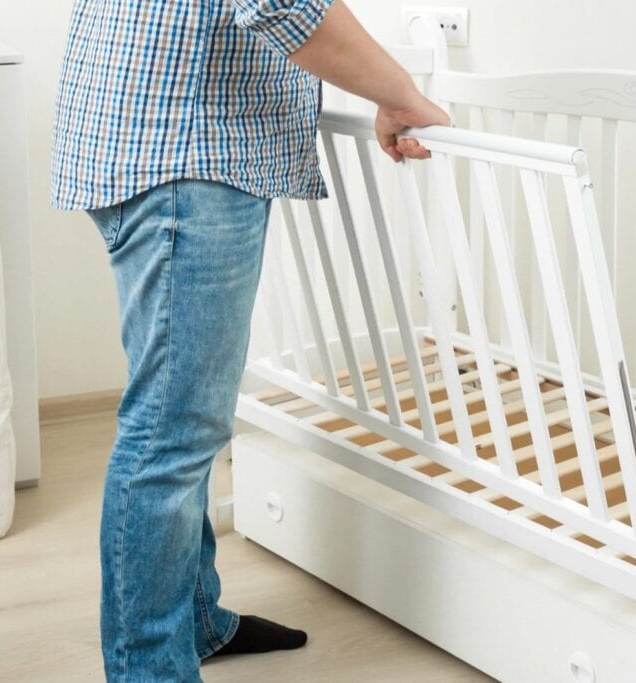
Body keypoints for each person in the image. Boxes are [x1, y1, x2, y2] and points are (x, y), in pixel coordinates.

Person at [50, 1, 449, 680]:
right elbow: (281, 5)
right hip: (182, 148)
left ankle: (196, 619)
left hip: (158, 135)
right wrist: (400, 93)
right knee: (171, 432)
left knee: (184, 419)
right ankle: (149, 668)